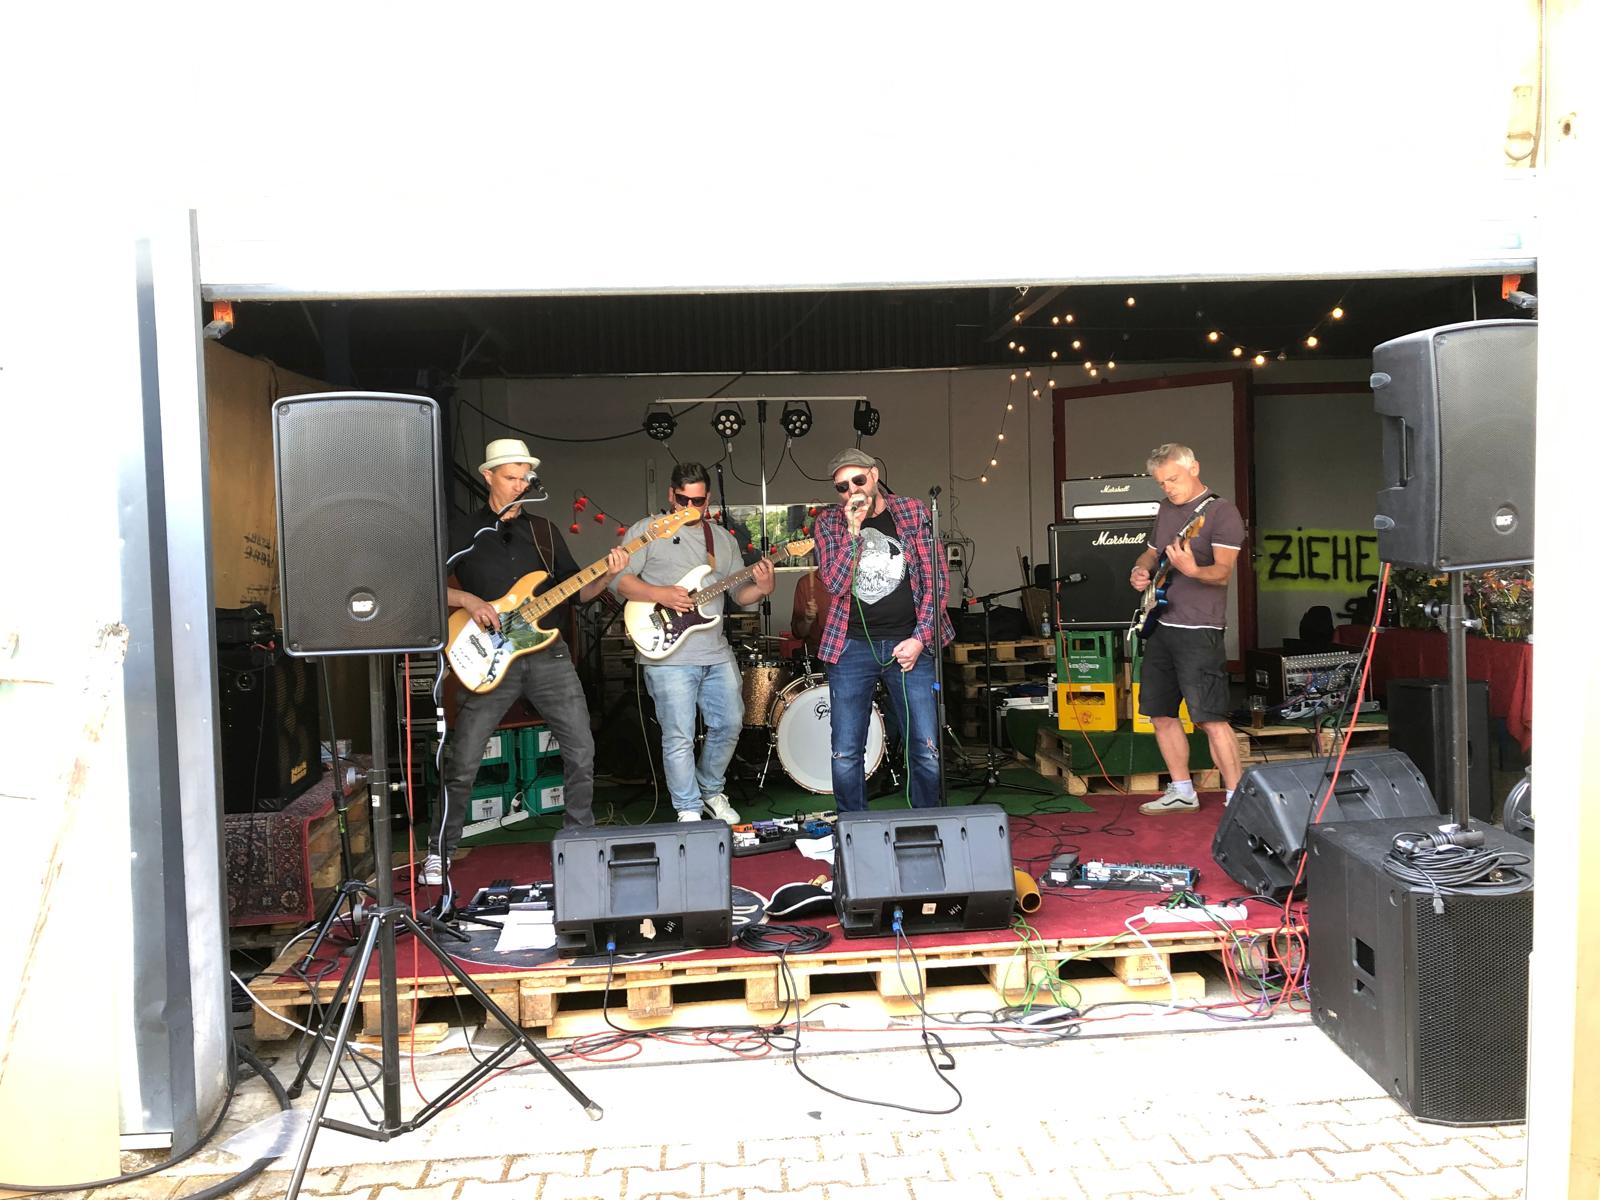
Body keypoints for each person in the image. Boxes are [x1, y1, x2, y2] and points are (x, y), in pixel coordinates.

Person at [432, 438, 629, 885]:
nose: (520, 486)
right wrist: (467, 599)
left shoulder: (543, 532)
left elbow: (577, 593)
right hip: (489, 657)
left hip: (547, 655)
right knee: (463, 760)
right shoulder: (462, 531)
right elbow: (425, 588)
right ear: (488, 476)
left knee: (581, 748)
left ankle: (578, 836)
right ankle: (440, 849)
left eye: (525, 478)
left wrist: (609, 574)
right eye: (511, 477)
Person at [612, 463, 774, 823]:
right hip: (667, 652)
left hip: (715, 650)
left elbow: (740, 595)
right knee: (679, 736)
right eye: (682, 500)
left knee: (730, 723)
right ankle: (687, 807)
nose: (689, 507)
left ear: (708, 499)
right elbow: (619, 581)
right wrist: (660, 594)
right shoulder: (648, 530)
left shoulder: (723, 540)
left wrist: (762, 588)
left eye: (697, 501)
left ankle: (710, 790)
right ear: (671, 495)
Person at [813, 448, 954, 810]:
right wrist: (853, 531)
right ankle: (852, 827)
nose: (852, 490)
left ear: (874, 475)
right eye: (842, 487)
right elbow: (835, 583)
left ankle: (928, 822)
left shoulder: (912, 511)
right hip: (851, 646)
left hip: (910, 642)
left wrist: (920, 639)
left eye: (858, 480)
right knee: (846, 750)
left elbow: (937, 581)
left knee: (925, 745)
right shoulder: (829, 522)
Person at [1127, 443, 1246, 815]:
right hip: (1160, 623)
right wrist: (1141, 569)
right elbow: (1152, 551)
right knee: (1160, 713)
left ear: (1194, 467)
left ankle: (1238, 798)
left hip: (1199, 628)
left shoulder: (1222, 512)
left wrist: (1193, 570)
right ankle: (1181, 790)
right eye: (1161, 482)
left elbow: (1223, 572)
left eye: (1173, 479)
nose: (1168, 488)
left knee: (1210, 717)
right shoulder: (1165, 509)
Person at [788, 567, 832, 660]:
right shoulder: (806, 583)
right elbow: (798, 633)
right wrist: (807, 620)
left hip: (852, 650)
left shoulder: (855, 581)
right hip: (817, 655)